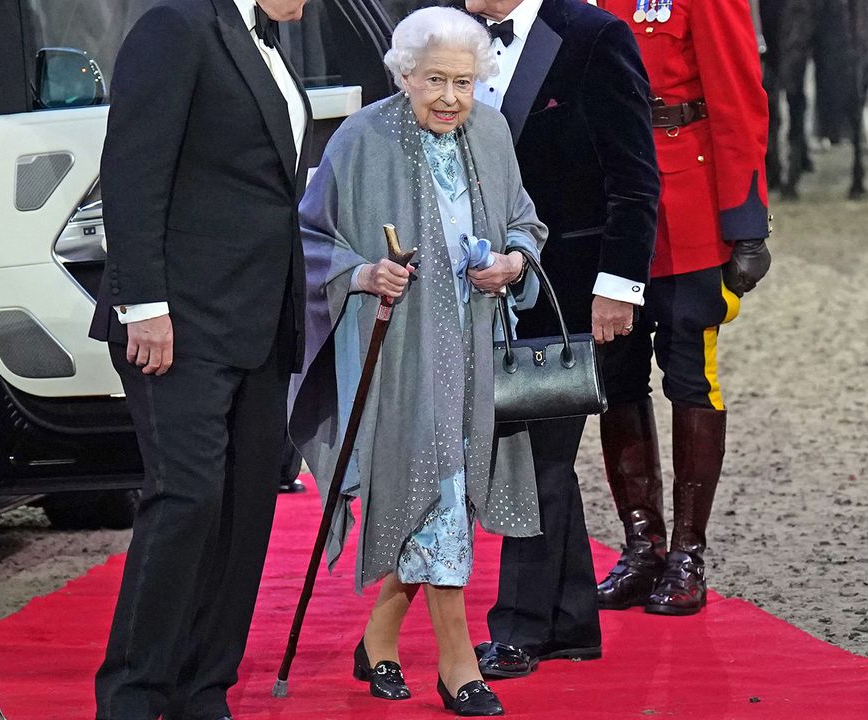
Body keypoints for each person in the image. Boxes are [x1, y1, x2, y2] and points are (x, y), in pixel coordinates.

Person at [289, 7, 548, 715]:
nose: (449, 98)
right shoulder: (361, 138)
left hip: (476, 348)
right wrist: (364, 273)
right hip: (399, 352)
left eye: (463, 82)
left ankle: (378, 640)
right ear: (403, 75)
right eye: (434, 80)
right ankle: (459, 665)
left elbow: (525, 218)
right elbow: (309, 239)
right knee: (434, 489)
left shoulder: (491, 132)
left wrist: (513, 261)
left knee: (450, 493)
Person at [86, 0, 311, 718]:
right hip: (179, 321)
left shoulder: (273, 42)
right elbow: (131, 169)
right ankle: (131, 693)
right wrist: (142, 305)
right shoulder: (178, 27)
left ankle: (201, 688)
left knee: (246, 512)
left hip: (259, 318)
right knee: (187, 498)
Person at [464, 0, 661, 680]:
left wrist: (619, 287)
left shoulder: (596, 36)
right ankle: (570, 619)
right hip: (480, 296)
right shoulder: (453, 38)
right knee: (534, 452)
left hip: (569, 292)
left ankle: (517, 628)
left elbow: (635, 179)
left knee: (532, 456)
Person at [592, 0, 771, 616]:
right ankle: (642, 547)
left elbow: (737, 94)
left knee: (691, 377)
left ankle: (688, 553)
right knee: (615, 377)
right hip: (607, 208)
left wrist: (745, 222)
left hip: (683, 203)